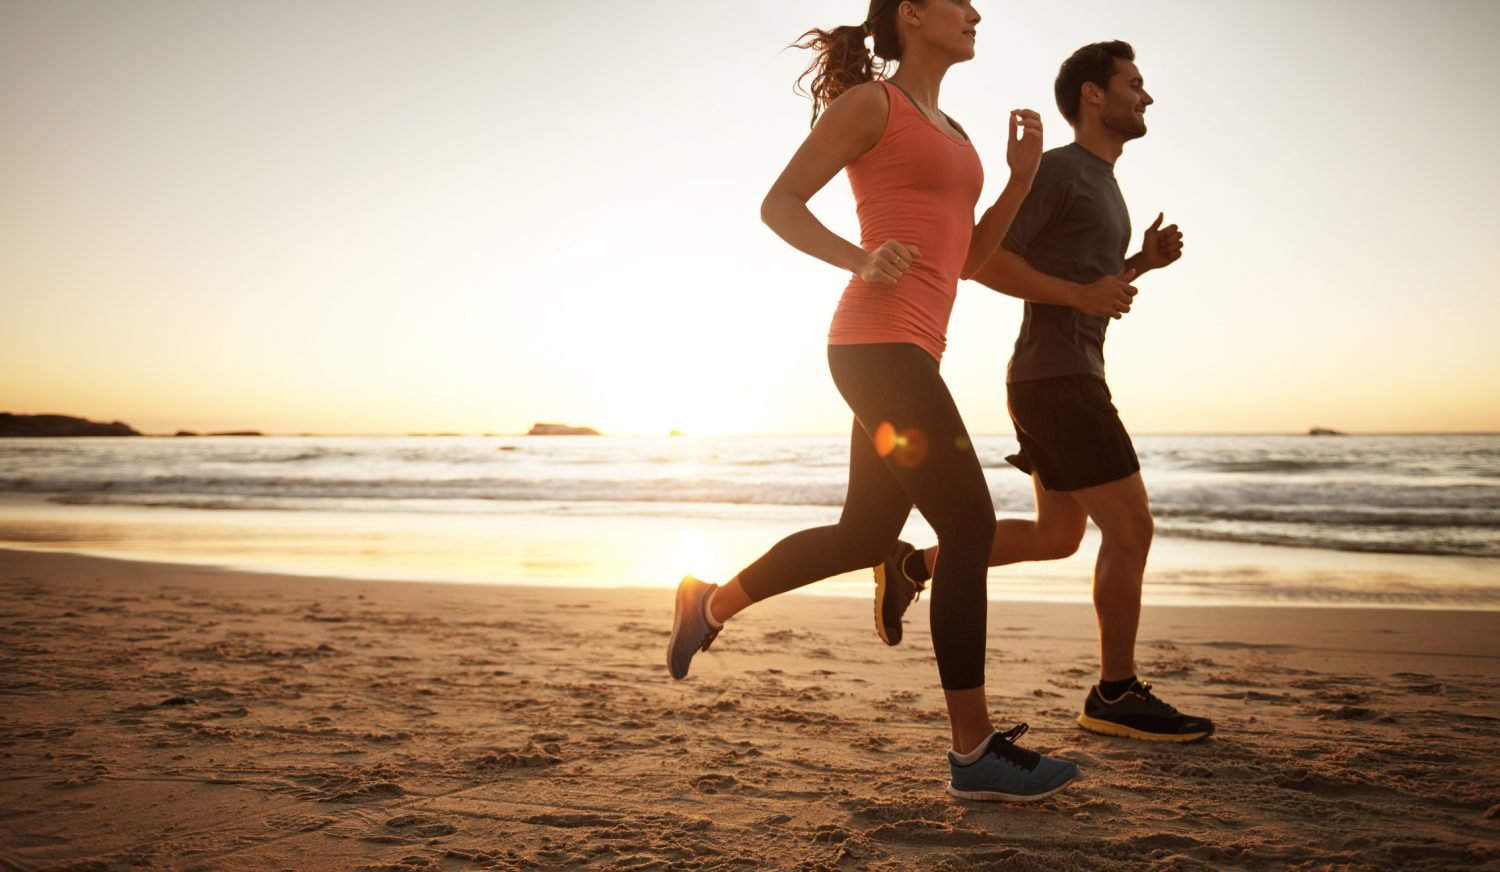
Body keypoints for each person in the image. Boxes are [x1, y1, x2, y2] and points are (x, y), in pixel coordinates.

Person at [666, 0, 1079, 801]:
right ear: (914, 15)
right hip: (874, 343)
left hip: (912, 349)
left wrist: (1020, 182)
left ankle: (706, 604)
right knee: (969, 524)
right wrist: (858, 258)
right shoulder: (872, 104)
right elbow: (779, 202)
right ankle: (974, 752)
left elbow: (966, 260)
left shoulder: (957, 134)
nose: (977, 11)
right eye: (959, 2)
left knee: (865, 534)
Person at [873, 40, 1215, 744]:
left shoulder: (1104, 181)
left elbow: (1087, 292)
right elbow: (980, 258)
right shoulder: (1061, 171)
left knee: (1061, 537)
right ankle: (1115, 693)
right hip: (1057, 380)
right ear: (1094, 94)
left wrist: (1138, 265)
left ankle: (912, 564)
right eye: (1134, 83)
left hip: (1057, 376)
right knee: (1132, 528)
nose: (1146, 97)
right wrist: (1082, 293)